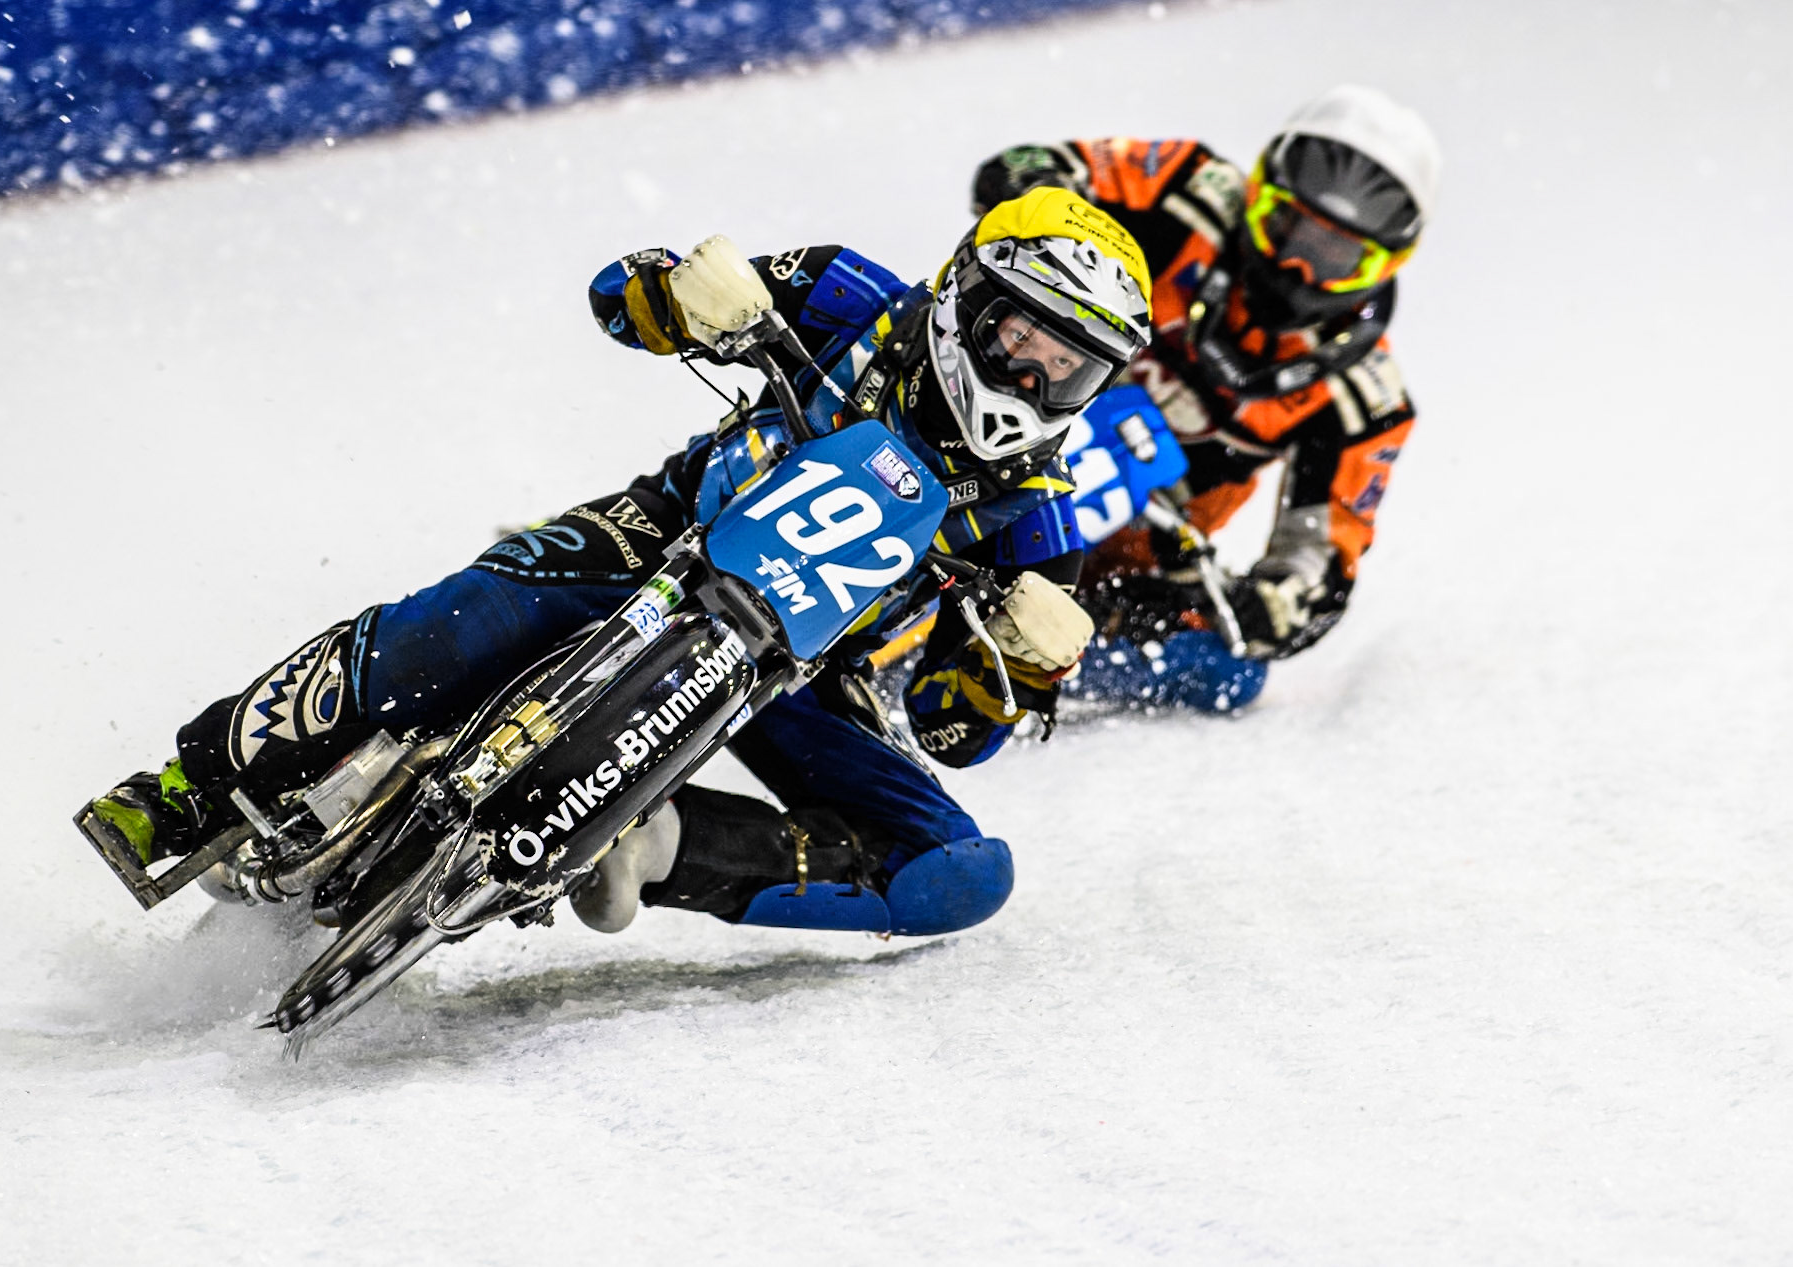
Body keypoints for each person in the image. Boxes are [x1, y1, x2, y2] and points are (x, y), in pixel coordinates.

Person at [81, 187, 1152, 937]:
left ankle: (655, 847)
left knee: (955, 872)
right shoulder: (848, 295)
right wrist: (686, 295)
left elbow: (955, 730)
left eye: (1070, 365)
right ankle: (191, 785)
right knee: (450, 629)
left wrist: (1023, 665)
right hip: (663, 535)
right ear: (968, 292)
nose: (1034, 372)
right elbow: (613, 297)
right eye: (1023, 334)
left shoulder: (1036, 521)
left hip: (806, 669)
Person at [969, 85, 1441, 713]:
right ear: (1257, 193)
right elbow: (1024, 168)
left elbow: (1320, 561)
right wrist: (1045, 204)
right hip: (992, 424)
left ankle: (1008, 663)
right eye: (1287, 225)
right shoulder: (1187, 186)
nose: (1299, 267)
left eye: (1336, 255)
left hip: (1122, 558)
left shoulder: (1366, 399)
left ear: (1385, 265)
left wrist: (1272, 600)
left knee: (1229, 672)